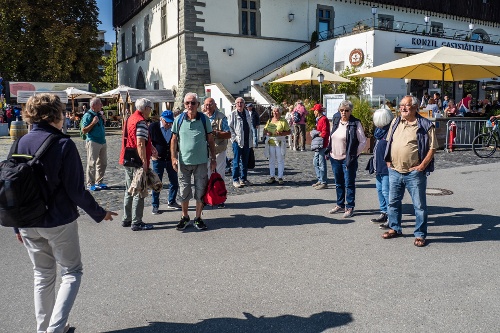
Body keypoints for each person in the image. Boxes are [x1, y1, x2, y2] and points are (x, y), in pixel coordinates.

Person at [15, 93, 117, 333]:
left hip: (28, 220)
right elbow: (76, 190)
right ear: (55, 115)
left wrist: (16, 225)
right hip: (58, 219)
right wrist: (99, 212)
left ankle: (43, 329)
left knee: (42, 275)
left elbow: (11, 187)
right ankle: (55, 329)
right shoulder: (63, 144)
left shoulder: (20, 143)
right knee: (72, 272)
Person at [381, 95, 438, 247]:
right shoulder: (395, 121)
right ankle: (395, 228)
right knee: (393, 202)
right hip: (395, 170)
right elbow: (389, 142)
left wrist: (421, 166)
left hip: (414, 173)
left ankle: (420, 234)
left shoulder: (425, 125)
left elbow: (432, 148)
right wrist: (388, 160)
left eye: (406, 105)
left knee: (419, 206)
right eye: (401, 105)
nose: (402, 108)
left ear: (415, 107)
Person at [171, 92, 217, 230]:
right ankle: (184, 216)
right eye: (187, 103)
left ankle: (198, 218)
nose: (190, 105)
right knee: (184, 190)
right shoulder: (178, 120)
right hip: (183, 162)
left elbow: (210, 140)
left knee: (200, 190)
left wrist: (213, 158)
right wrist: (173, 157)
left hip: (201, 162)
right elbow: (173, 140)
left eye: (193, 103)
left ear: (198, 104)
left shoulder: (204, 119)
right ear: (184, 104)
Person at [119, 98, 156, 231]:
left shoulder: (130, 118)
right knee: (139, 190)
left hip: (128, 157)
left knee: (129, 189)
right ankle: (137, 221)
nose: (151, 110)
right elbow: (140, 143)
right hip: (137, 161)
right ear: (145, 108)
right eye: (150, 108)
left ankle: (126, 218)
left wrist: (151, 148)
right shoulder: (140, 122)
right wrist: (144, 163)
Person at [327, 100, 367, 218]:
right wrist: (329, 149)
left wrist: (354, 154)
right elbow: (331, 136)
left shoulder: (355, 123)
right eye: (341, 110)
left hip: (348, 159)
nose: (343, 113)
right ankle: (340, 204)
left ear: (350, 111)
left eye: (346, 111)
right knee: (338, 183)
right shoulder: (336, 121)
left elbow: (363, 141)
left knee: (349, 183)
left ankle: (349, 206)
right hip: (335, 157)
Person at [149, 110, 181, 214]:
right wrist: (151, 153)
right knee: (157, 183)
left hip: (170, 159)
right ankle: (155, 205)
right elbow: (147, 142)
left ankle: (171, 201)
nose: (168, 124)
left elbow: (177, 141)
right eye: (166, 121)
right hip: (158, 160)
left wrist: (176, 154)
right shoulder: (153, 127)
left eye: (170, 122)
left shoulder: (173, 127)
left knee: (174, 182)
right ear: (161, 119)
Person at [203, 97, 231, 208]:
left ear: (215, 105)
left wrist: (215, 133)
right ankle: (208, 197)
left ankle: (220, 198)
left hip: (219, 149)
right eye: (206, 105)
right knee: (206, 175)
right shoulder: (202, 117)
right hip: (205, 150)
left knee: (219, 174)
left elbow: (228, 134)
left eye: (210, 104)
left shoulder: (221, 117)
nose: (208, 107)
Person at [369, 108, 394, 227]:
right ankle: (383, 212)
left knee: (387, 192)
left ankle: (391, 217)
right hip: (378, 166)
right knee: (380, 190)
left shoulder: (390, 132)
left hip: (386, 167)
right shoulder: (379, 131)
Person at [81, 97, 108, 191]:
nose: (101, 105)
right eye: (99, 104)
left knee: (103, 163)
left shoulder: (99, 114)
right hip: (93, 141)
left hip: (102, 141)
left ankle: (99, 182)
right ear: (93, 105)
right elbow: (83, 130)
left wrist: (104, 120)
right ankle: (90, 183)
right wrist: (92, 123)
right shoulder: (88, 115)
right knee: (92, 163)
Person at [228, 96, 254, 188]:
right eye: (238, 103)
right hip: (237, 141)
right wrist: (234, 138)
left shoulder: (247, 113)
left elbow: (250, 126)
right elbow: (230, 128)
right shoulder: (233, 114)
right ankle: (235, 179)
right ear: (235, 105)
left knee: (245, 161)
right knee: (236, 161)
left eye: (241, 102)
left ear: (244, 104)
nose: (239, 104)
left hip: (247, 140)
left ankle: (244, 179)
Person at [263, 105, 291, 185]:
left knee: (280, 160)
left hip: (279, 143)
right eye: (274, 111)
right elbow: (265, 130)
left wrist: (281, 133)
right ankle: (272, 176)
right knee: (271, 160)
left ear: (280, 112)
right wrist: (267, 132)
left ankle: (280, 177)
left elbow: (289, 132)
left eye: (277, 111)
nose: (275, 113)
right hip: (271, 143)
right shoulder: (270, 120)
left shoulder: (283, 121)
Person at [311, 104, 330, 190]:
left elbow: (325, 133)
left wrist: (317, 133)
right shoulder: (318, 119)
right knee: (316, 162)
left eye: (314, 110)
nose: (313, 112)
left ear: (317, 111)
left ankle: (324, 182)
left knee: (322, 163)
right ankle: (320, 179)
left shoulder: (324, 119)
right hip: (318, 144)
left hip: (322, 144)